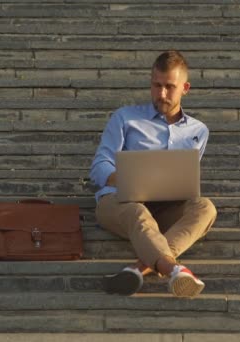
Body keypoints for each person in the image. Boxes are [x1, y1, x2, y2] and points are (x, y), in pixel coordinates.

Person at [89, 50, 217, 298]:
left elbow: (185, 177)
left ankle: (140, 267)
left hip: (167, 207)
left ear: (185, 88)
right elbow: (100, 166)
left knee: (206, 208)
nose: (161, 94)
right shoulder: (125, 118)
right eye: (156, 85)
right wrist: (129, 180)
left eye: (170, 87)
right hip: (120, 202)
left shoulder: (198, 131)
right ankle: (174, 270)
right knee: (138, 212)